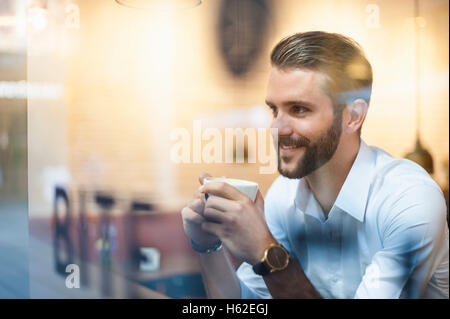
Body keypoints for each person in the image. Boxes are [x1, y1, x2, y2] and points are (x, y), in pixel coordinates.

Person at [181, 31, 449, 299]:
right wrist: (207, 245)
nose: (277, 128)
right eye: (275, 110)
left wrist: (266, 251)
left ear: (353, 116)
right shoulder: (282, 196)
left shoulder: (409, 199)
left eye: (298, 109)